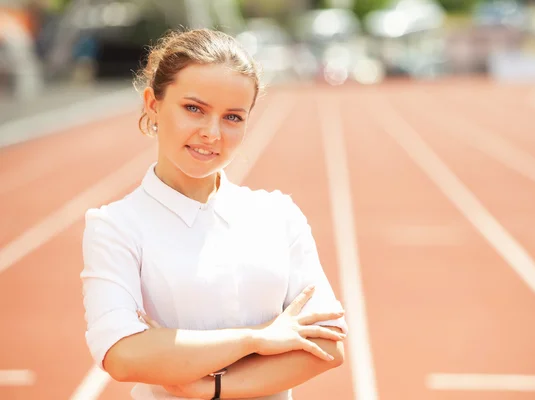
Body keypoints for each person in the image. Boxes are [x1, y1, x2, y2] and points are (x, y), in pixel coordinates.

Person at [80, 27, 348, 400]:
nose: (212, 132)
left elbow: (329, 345)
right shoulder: (114, 226)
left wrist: (211, 386)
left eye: (233, 117)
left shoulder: (278, 214)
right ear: (153, 104)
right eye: (194, 109)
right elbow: (122, 354)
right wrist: (260, 337)